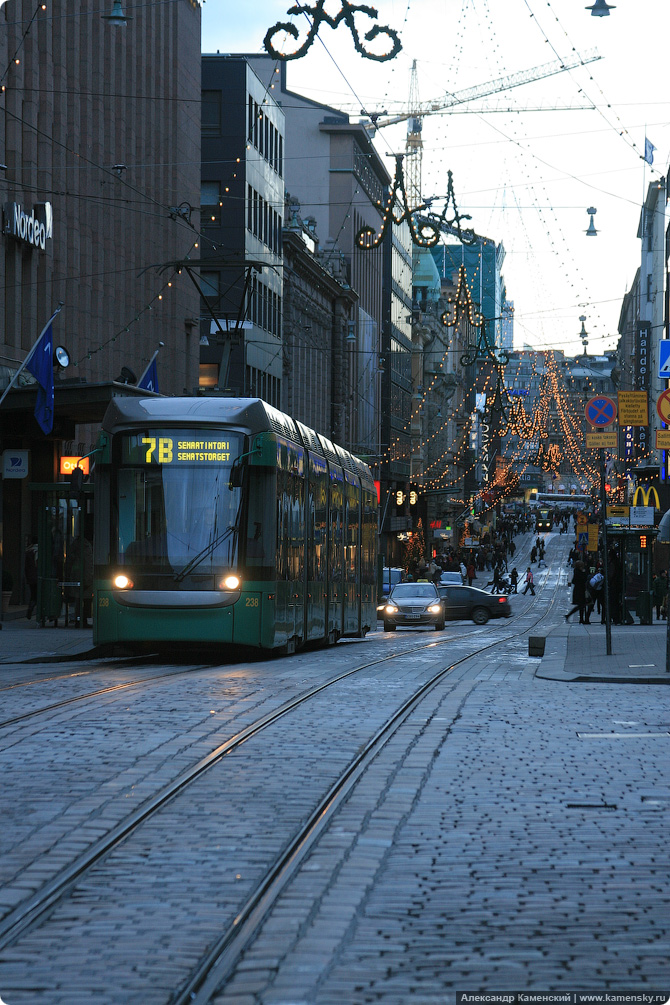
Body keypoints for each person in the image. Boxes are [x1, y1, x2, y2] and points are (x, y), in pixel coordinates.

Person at [24, 536, 38, 619]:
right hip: (36, 576)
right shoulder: (37, 550)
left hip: (30, 577)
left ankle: (30, 608)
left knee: (33, 594)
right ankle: (31, 608)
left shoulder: (28, 551)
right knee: (36, 595)